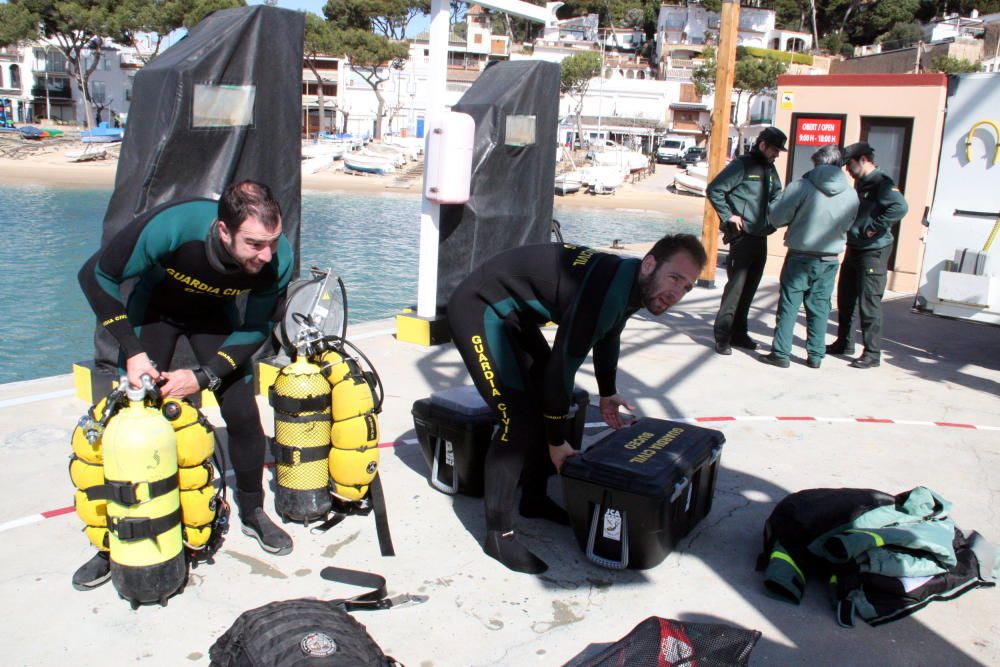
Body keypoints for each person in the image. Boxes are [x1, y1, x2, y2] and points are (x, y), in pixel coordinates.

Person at [73, 180, 295, 591]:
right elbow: (95, 275)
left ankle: (252, 512)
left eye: (273, 241)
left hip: (215, 320)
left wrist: (203, 376)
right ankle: (110, 541)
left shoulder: (276, 260)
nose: (267, 255)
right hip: (153, 312)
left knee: (243, 412)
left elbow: (255, 327)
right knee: (129, 422)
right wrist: (133, 350)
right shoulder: (174, 226)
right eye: (254, 244)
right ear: (224, 231)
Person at [447, 234, 707, 574]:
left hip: (513, 313)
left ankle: (534, 499)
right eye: (675, 278)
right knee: (519, 419)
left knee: (555, 399)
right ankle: (498, 534)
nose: (677, 294)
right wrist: (556, 442)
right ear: (649, 264)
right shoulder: (608, 291)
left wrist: (608, 390)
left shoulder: (631, 282)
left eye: (687, 287)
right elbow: (561, 367)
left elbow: (609, 333)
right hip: (479, 305)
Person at [758, 145, 859, 369]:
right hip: (830, 258)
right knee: (820, 307)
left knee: (789, 306)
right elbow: (850, 223)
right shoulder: (851, 192)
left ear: (817, 163)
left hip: (800, 255)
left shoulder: (802, 186)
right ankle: (815, 355)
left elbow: (776, 217)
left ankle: (781, 353)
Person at [827, 142, 909, 369]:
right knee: (846, 297)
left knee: (868, 302)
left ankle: (872, 353)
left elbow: (900, 207)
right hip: (855, 248)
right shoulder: (862, 182)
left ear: (863, 160)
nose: (847, 169)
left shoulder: (882, 183)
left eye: (850, 164)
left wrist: (875, 227)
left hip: (873, 251)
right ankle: (845, 343)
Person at [707, 127, 786, 355]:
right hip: (742, 237)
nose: (777, 154)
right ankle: (723, 335)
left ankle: (739, 333)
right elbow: (715, 189)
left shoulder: (770, 170)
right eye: (774, 149)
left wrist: (778, 214)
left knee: (750, 288)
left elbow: (776, 195)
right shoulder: (742, 165)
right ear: (762, 145)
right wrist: (728, 215)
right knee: (735, 289)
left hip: (761, 236)